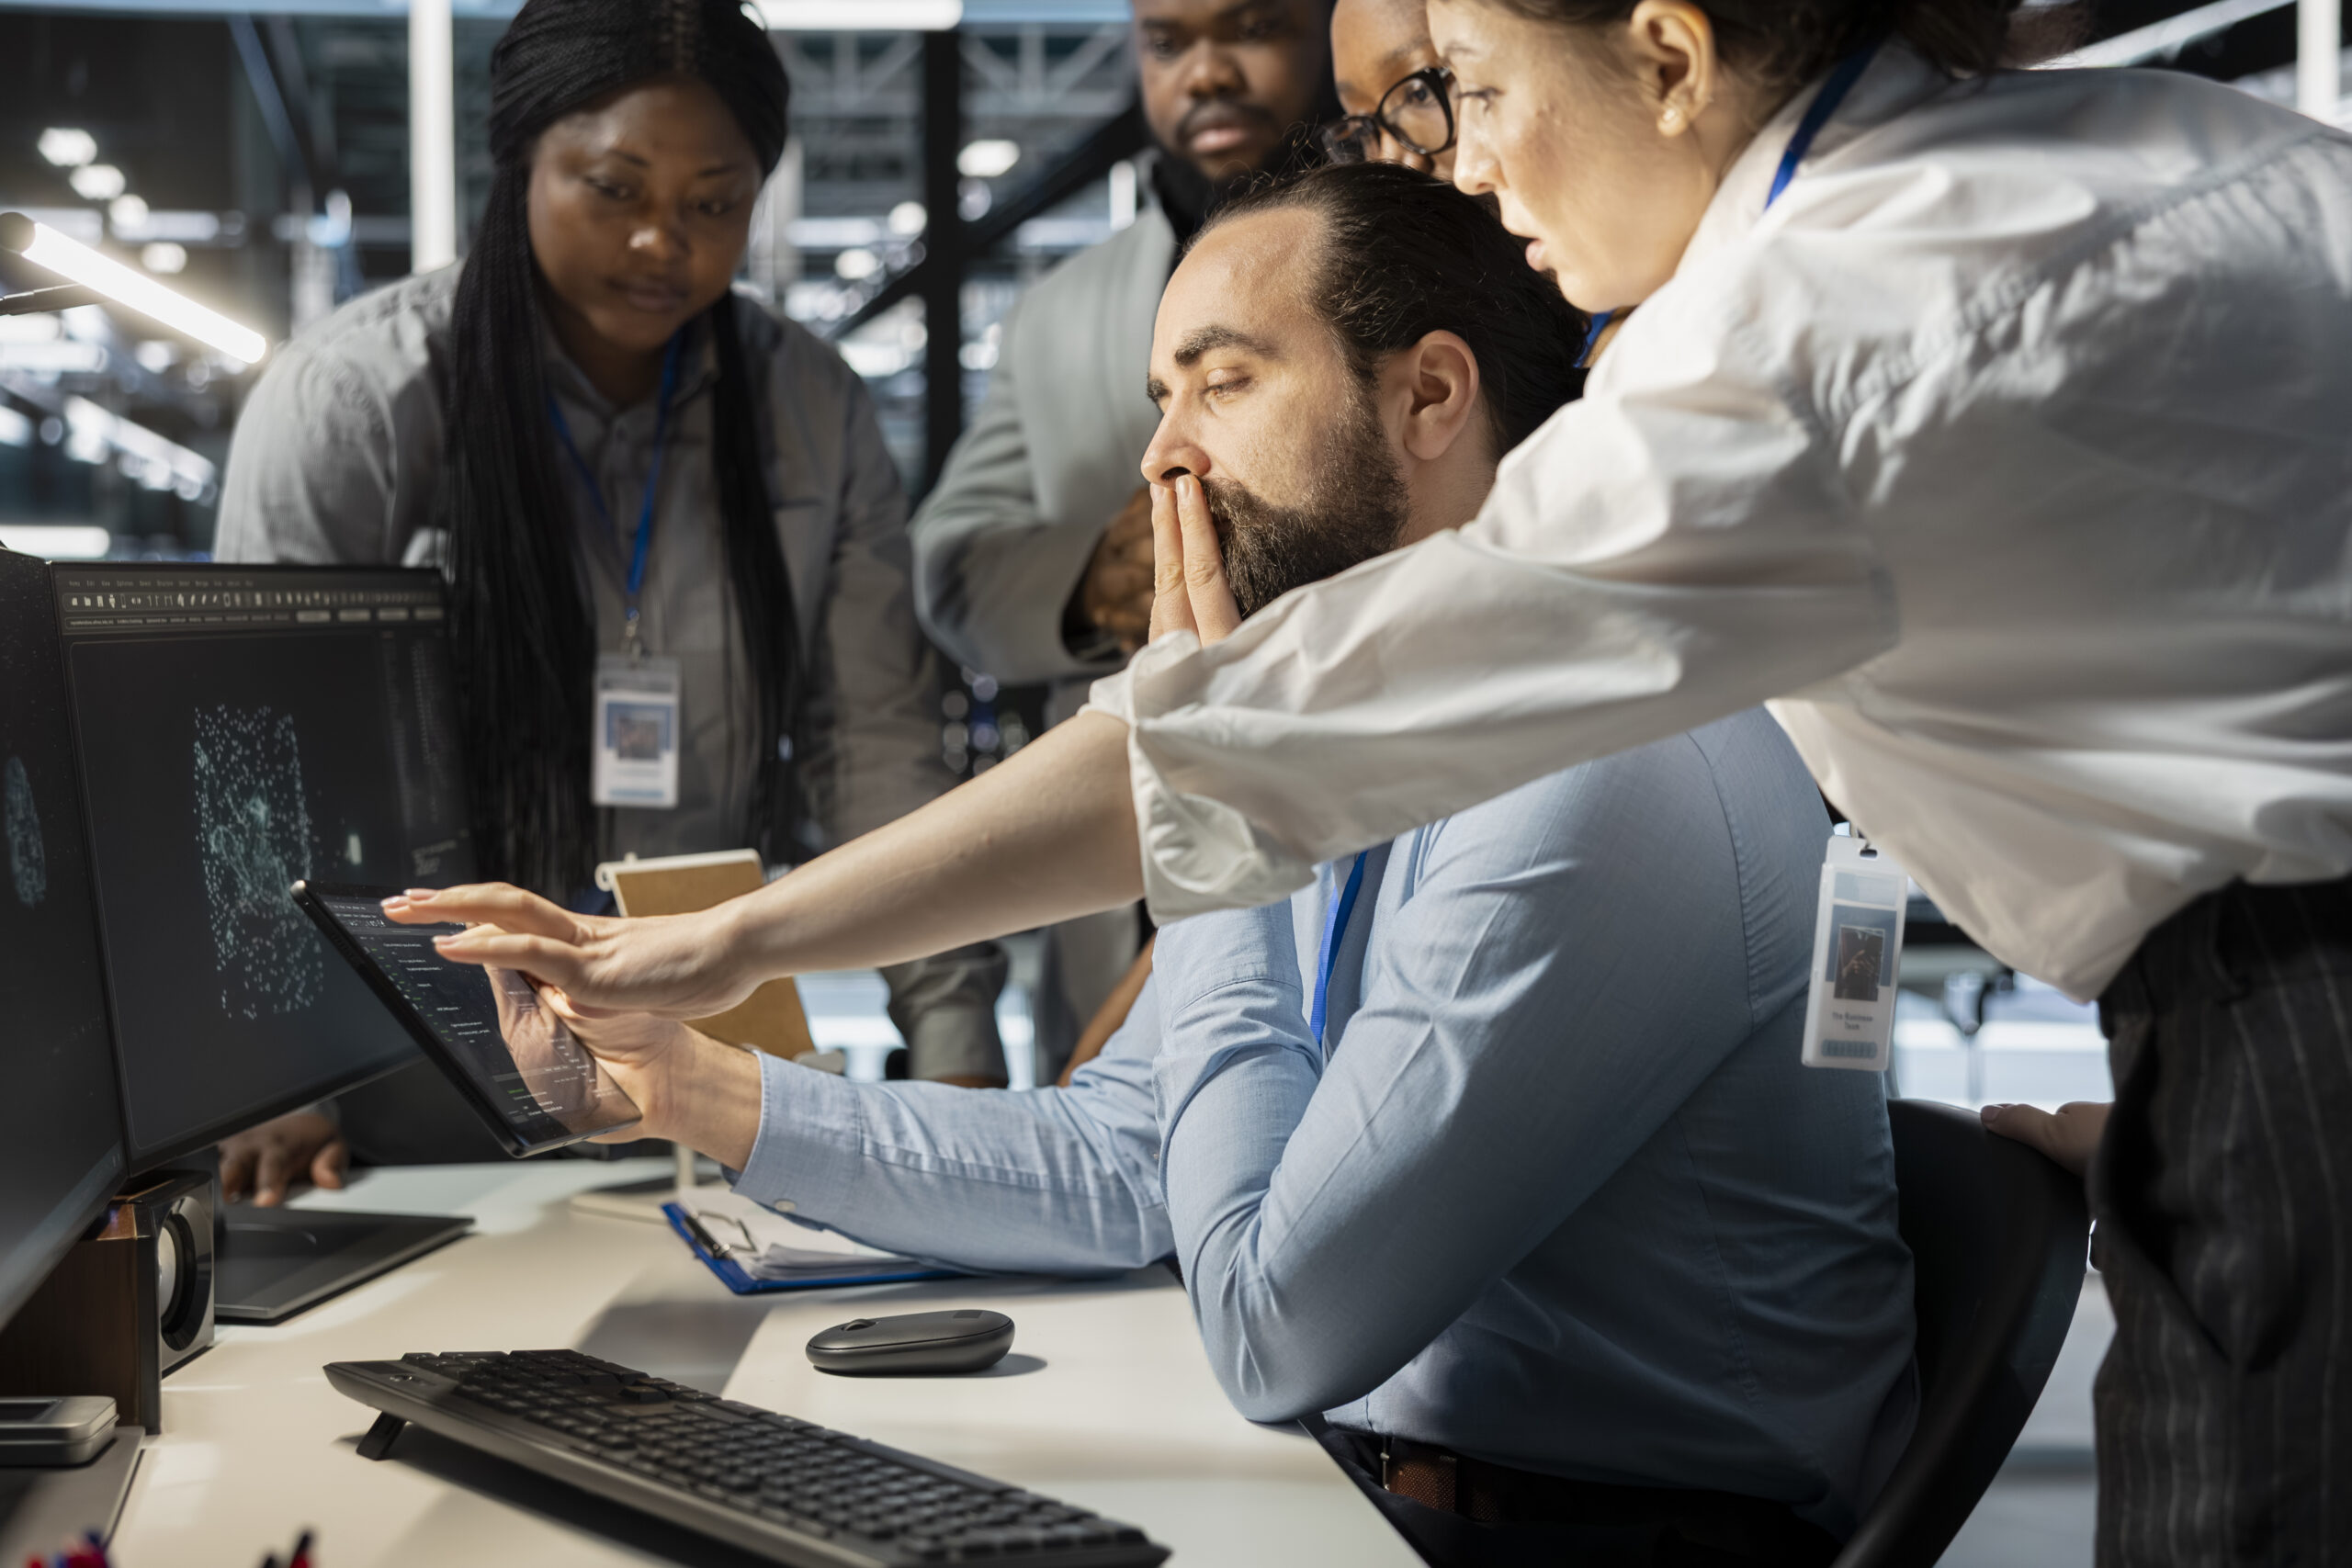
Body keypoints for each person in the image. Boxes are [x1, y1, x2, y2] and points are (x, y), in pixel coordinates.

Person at [396, 6, 2352, 1562]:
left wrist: (746, 929)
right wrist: (701, 1073)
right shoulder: (1951, 220)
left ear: (1664, 58)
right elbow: (1133, 1143)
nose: (1463, 161)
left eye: (1465, 84)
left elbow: (1264, 1291)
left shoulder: (1767, 413)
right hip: (1416, 1463)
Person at [485, 164, 1915, 1566]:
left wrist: (1215, 801)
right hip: (1380, 1493)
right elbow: (1123, 1157)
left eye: (1222, 385)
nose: (1163, 460)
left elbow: (1275, 1326)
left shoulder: (1605, 767)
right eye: (1161, 401)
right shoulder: (1368, 724)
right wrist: (696, 1084)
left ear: (1428, 396)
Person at [210, 0, 1010, 1201]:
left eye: (713, 202)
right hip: (410, 1081)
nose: (661, 243)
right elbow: (256, 769)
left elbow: (875, 745)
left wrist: (955, 1057)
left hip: (706, 1074)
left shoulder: (811, 411)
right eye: (614, 188)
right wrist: (276, 1073)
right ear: (522, 160)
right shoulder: (358, 402)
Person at [907, 0, 1335, 1077]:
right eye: (1166, 43)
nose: (1205, 73)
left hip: (1336, 788)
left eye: (1251, 28)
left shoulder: (1419, 263)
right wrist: (1086, 585)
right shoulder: (1062, 307)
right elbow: (949, 560)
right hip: (1118, 842)